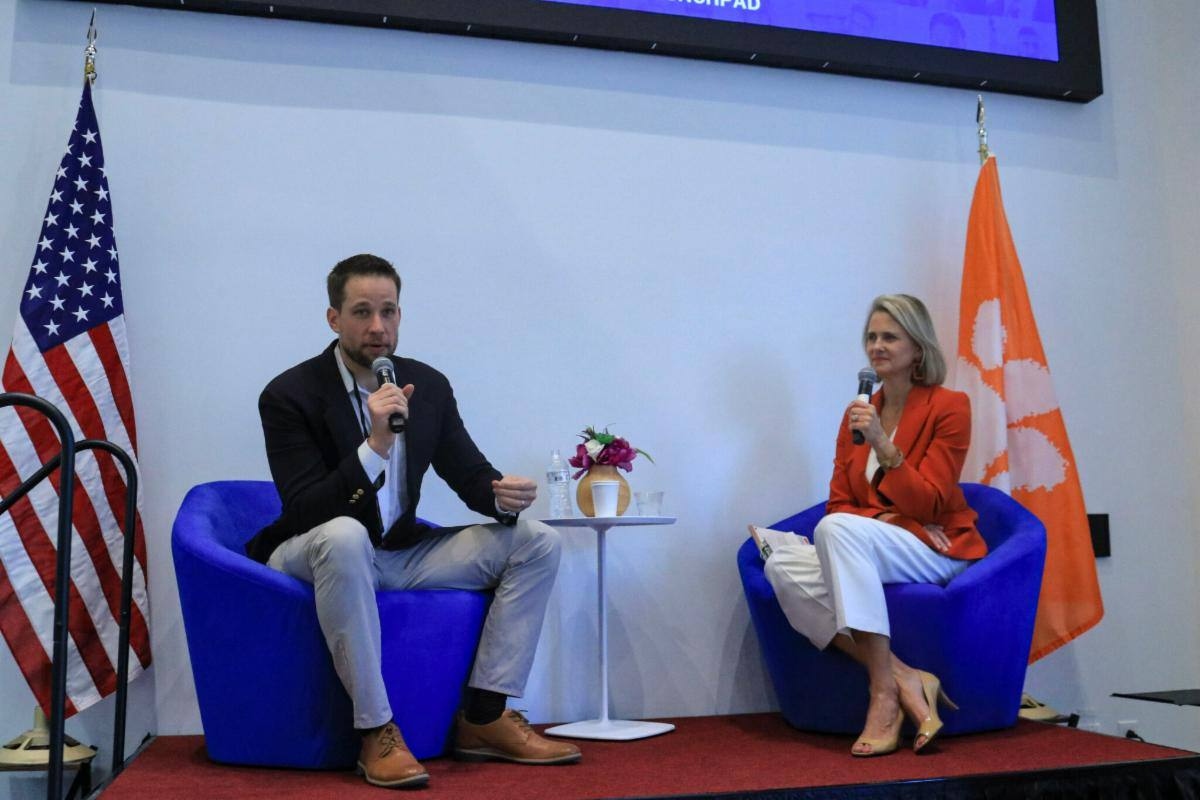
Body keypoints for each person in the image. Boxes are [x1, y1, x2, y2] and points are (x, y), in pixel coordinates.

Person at [245, 254, 580, 789]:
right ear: (333, 319)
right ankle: (376, 729)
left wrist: (502, 496)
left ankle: (485, 717)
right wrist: (375, 445)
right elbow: (306, 509)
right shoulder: (289, 395)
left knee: (536, 543)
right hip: (308, 550)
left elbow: (470, 476)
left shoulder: (428, 385)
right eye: (361, 312)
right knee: (345, 534)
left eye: (389, 312)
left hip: (397, 552)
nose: (378, 328)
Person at [756, 294, 988, 757]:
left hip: (934, 549)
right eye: (871, 337)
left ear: (917, 348)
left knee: (834, 534)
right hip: (878, 540)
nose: (877, 346)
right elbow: (839, 504)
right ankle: (905, 676)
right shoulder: (857, 413)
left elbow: (933, 502)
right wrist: (885, 517)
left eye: (889, 336)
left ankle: (882, 694)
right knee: (782, 563)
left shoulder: (950, 406)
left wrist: (884, 445)